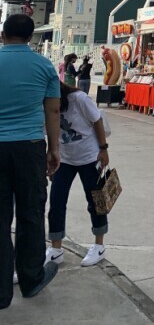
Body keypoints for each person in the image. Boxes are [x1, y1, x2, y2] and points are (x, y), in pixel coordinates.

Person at [0, 14, 61, 308]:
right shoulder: (44, 65)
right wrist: (54, 149)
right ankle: (31, 279)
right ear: (30, 37)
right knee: (31, 214)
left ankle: (0, 293)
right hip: (30, 147)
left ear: (3, 34)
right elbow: (52, 112)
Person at [47, 81, 110, 268]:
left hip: (89, 158)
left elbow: (97, 120)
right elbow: (49, 133)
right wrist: (51, 157)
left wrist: (104, 149)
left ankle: (99, 246)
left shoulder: (79, 99)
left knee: (95, 202)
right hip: (64, 160)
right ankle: (56, 249)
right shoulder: (46, 105)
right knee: (56, 202)